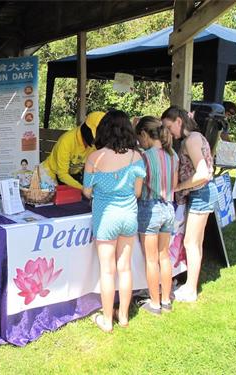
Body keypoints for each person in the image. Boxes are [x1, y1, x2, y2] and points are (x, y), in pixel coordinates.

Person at [82, 110, 146, 333]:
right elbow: (137, 192)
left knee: (107, 271)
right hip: (128, 216)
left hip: (105, 217)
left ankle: (107, 320)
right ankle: (124, 316)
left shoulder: (95, 157)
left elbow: (87, 191)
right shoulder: (136, 157)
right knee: (125, 268)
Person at [161, 106, 218, 302]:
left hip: (201, 194)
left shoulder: (191, 140)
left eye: (169, 127)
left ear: (179, 121)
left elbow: (202, 173)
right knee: (195, 243)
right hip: (202, 194)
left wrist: (179, 187)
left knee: (191, 243)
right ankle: (190, 284)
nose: (169, 132)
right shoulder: (194, 137)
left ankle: (191, 289)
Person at [135, 116, 179, 315]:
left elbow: (137, 186)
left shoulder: (144, 157)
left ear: (144, 134)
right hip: (169, 208)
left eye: (140, 138)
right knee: (164, 257)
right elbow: (175, 184)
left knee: (151, 260)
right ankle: (166, 300)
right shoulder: (173, 156)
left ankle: (154, 303)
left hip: (149, 208)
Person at [40, 111, 105, 189]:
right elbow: (62, 174)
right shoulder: (67, 141)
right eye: (96, 137)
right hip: (49, 174)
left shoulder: (93, 145)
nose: (97, 141)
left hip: (71, 176)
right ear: (87, 130)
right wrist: (83, 189)